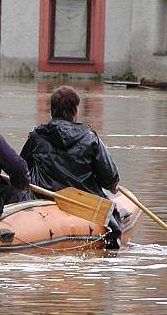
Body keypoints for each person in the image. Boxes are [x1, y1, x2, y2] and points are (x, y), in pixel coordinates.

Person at [20, 85, 122, 247]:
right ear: (75, 110)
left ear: (52, 110)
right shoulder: (90, 138)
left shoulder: (36, 137)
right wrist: (113, 186)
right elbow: (109, 178)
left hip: (45, 199)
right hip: (83, 203)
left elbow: (21, 172)